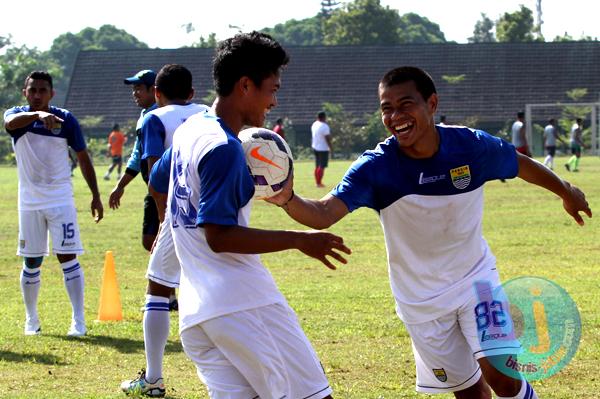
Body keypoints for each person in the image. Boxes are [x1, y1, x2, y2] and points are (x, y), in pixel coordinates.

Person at [269, 66, 592, 399]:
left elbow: (520, 164)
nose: (395, 116)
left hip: (476, 283)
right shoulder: (376, 168)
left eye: (405, 104)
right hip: (420, 303)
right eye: (386, 108)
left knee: (503, 377)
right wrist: (286, 198)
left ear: (431, 104)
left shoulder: (470, 146)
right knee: (469, 394)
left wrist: (566, 190)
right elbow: (323, 213)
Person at [148, 31, 350, 399]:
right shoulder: (224, 148)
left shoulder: (191, 130)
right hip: (243, 305)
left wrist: (172, 226)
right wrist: (300, 240)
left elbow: (157, 180)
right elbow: (219, 236)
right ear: (245, 85)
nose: (274, 100)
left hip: (198, 313)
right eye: (272, 89)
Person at [120, 64, 209, 397]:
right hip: (217, 206)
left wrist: (162, 220)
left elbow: (155, 175)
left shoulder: (153, 118)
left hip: (180, 208)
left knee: (158, 287)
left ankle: (154, 379)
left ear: (156, 94)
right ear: (191, 92)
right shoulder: (206, 111)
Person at [3, 71, 104, 337]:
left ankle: (78, 321)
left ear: (52, 93)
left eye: (42, 91)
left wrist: (95, 194)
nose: (37, 95)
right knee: (32, 260)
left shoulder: (66, 120)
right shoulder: (18, 116)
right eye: (32, 90)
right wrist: (37, 116)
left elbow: (83, 157)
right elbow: (10, 124)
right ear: (25, 92)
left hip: (61, 200)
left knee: (68, 257)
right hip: (29, 203)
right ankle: (31, 320)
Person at [108, 69, 158, 252]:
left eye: (139, 88)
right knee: (150, 240)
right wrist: (120, 186)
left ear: (153, 90)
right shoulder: (145, 115)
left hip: (167, 189)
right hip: (154, 190)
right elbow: (138, 155)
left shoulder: (160, 115)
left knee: (159, 239)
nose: (134, 93)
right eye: (133, 89)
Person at [311, 111, 332, 187]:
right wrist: (330, 147)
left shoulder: (314, 124)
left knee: (317, 166)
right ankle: (319, 183)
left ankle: (317, 182)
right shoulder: (324, 126)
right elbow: (327, 138)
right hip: (323, 148)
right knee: (322, 166)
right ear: (324, 117)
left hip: (315, 147)